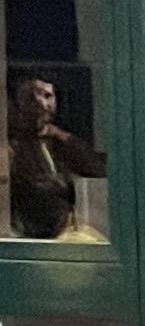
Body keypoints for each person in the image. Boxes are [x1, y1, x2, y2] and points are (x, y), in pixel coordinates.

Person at [8, 73, 104, 241]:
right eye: (31, 97)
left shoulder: (57, 142)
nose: (41, 103)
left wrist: (63, 137)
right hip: (28, 236)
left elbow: (96, 168)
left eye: (48, 96)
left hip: (64, 232)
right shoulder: (13, 145)